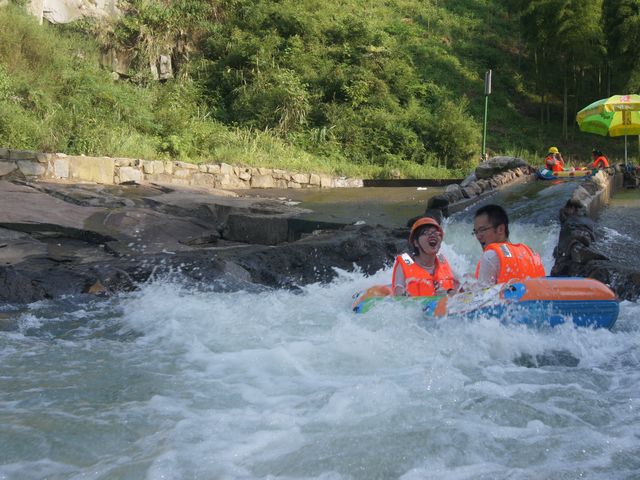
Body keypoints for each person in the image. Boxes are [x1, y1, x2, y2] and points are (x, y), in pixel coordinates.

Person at [472, 204, 545, 286]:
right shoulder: (531, 253)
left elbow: (481, 295)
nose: (478, 236)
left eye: (482, 230)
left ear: (500, 229)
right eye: (476, 232)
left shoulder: (490, 256)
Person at [391, 217, 459, 296]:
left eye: (436, 233)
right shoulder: (405, 263)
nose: (432, 236)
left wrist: (449, 293)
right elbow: (398, 297)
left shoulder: (442, 261)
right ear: (416, 243)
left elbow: (462, 289)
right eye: (426, 233)